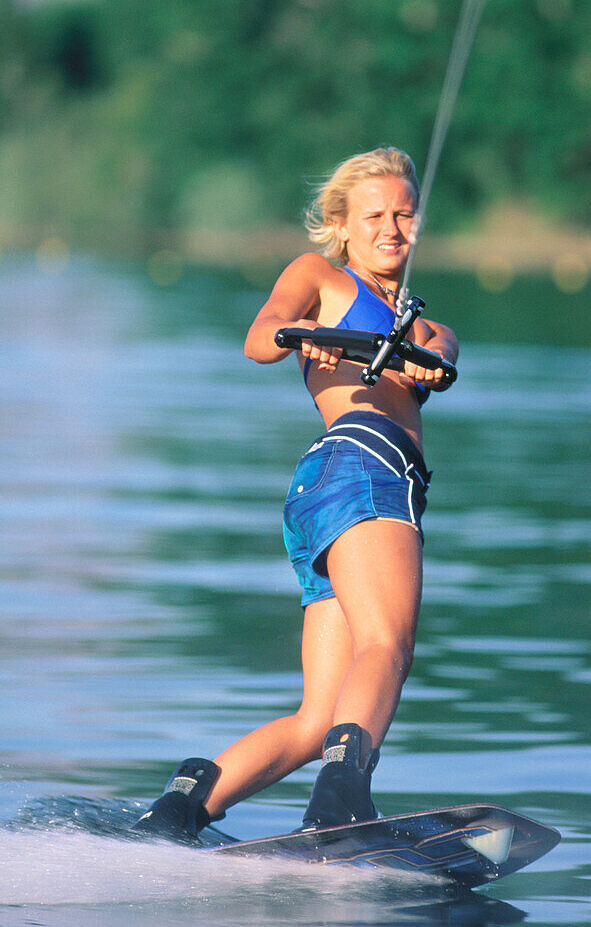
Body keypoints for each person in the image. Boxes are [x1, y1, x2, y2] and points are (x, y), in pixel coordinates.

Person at [133, 147, 458, 842]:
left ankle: (183, 806)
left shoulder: (427, 326)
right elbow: (259, 338)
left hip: (322, 492)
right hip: (368, 469)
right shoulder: (319, 277)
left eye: (404, 214)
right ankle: (341, 801)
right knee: (387, 643)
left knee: (318, 719)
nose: (392, 228)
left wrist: (414, 359)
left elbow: (439, 361)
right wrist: (304, 333)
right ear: (341, 225)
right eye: (374, 215)